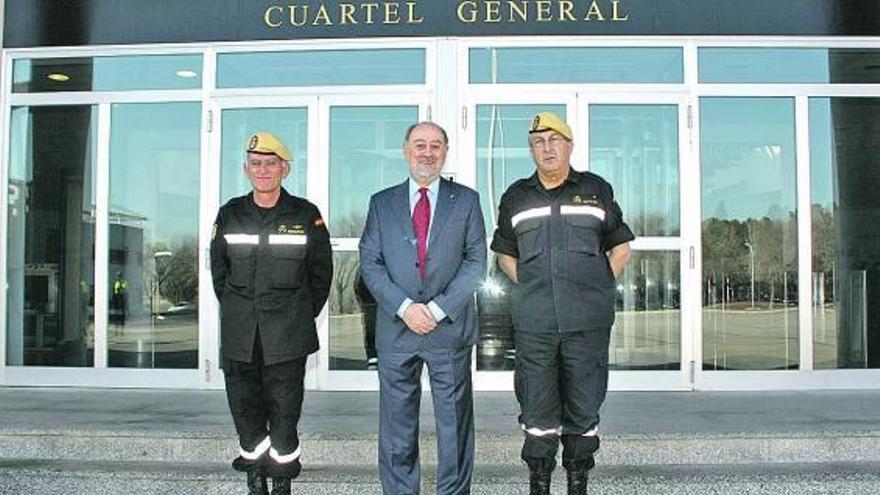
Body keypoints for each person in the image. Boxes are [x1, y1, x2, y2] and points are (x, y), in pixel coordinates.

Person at [490, 112, 634, 495]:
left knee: (584, 405)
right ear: (531, 149)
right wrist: (532, 285)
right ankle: (539, 480)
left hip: (587, 323)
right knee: (537, 408)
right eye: (538, 142)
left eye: (554, 140)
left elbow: (620, 246)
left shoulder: (595, 189)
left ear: (569, 145)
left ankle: (577, 479)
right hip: (534, 323)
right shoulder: (517, 196)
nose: (547, 147)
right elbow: (505, 252)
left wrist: (597, 286)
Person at [359, 122, 487, 495]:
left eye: (435, 145)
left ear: (445, 152)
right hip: (397, 331)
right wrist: (404, 307)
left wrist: (435, 309)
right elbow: (371, 262)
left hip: (448, 330)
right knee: (397, 427)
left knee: (454, 428)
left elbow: (476, 262)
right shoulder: (381, 203)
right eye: (419, 144)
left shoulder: (466, 200)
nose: (427, 152)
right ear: (405, 150)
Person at [210, 131, 333, 495]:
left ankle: (281, 476)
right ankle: (254, 470)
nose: (263, 170)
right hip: (240, 331)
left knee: (284, 407)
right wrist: (239, 309)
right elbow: (219, 274)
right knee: (244, 405)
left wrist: (296, 315)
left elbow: (320, 275)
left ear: (285, 169)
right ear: (246, 169)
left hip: (287, 332)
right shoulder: (229, 214)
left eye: (271, 164)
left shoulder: (305, 215)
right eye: (256, 164)